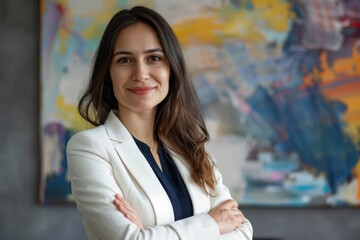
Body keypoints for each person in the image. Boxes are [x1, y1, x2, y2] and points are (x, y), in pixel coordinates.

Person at [66, 6, 253, 240]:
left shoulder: (192, 148)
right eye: (125, 60)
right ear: (108, 72)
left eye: (154, 58)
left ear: (172, 69)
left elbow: (243, 231)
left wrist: (148, 233)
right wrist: (212, 225)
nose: (141, 73)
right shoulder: (89, 147)